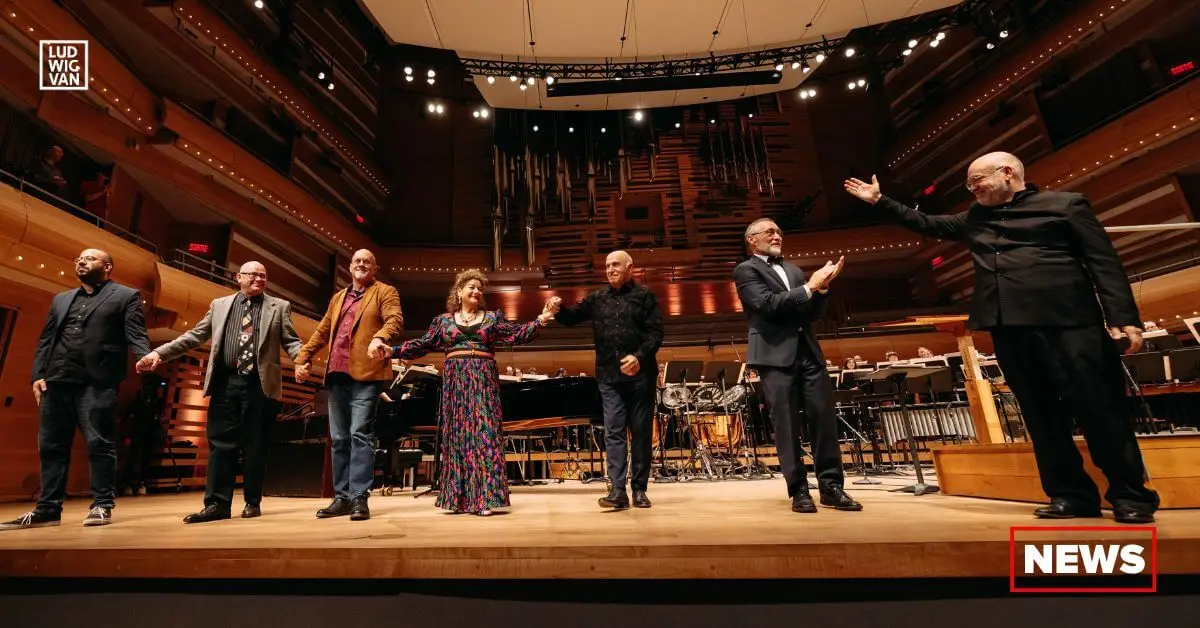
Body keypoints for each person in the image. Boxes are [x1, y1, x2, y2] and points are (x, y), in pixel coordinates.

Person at [843, 151, 1159, 523]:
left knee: (1099, 410)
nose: (972, 188)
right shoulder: (976, 217)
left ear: (1008, 173)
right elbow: (927, 223)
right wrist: (880, 200)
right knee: (1041, 417)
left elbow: (1103, 261)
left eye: (977, 180)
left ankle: (1131, 496)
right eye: (969, 183)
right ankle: (1071, 496)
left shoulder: (1065, 206)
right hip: (1010, 330)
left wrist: (1123, 316)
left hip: (1070, 325)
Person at [137, 261, 302, 523]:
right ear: (239, 277)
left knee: (255, 446)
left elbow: (291, 340)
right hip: (225, 383)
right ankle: (217, 504)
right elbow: (193, 336)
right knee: (221, 444)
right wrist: (159, 353)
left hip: (259, 385)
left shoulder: (279, 307)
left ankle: (252, 501)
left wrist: (300, 361)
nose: (259, 279)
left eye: (263, 276)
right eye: (254, 275)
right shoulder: (220, 305)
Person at [0, 250, 150, 530]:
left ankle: (102, 505)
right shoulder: (61, 299)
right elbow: (46, 339)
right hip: (55, 382)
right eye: (78, 259)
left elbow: (136, 334)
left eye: (89, 258)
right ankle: (47, 509)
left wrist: (145, 355)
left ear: (107, 267)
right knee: (51, 447)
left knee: (99, 444)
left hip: (96, 382)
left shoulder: (125, 296)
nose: (81, 261)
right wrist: (38, 375)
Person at [392, 270, 555, 516]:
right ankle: (458, 499)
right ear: (459, 292)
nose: (476, 291)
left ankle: (485, 499)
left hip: (483, 380)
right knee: (458, 436)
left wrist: (541, 319)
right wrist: (393, 351)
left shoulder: (492, 318)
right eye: (471, 287)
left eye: (480, 288)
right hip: (456, 382)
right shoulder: (443, 321)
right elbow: (423, 344)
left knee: (484, 434)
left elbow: (516, 334)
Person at [733, 220, 862, 514]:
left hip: (808, 353)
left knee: (824, 420)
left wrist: (823, 289)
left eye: (780, 231)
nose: (778, 235)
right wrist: (811, 286)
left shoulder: (792, 270)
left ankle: (831, 487)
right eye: (770, 232)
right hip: (774, 356)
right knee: (786, 425)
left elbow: (810, 312)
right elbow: (767, 304)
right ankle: (799, 491)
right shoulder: (746, 270)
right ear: (752, 240)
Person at [548, 250, 664, 510]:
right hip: (609, 377)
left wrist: (639, 357)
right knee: (613, 432)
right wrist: (557, 308)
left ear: (630, 268)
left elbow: (655, 333)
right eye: (607, 266)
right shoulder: (597, 298)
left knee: (641, 433)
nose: (610, 269)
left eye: (615, 265)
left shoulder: (645, 297)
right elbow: (570, 318)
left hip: (641, 377)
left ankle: (640, 489)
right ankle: (618, 490)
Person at [294, 249, 403, 521]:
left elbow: (395, 320)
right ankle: (341, 497)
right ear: (350, 267)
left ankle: (359, 498)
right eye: (357, 261)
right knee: (339, 438)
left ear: (374, 268)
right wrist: (303, 357)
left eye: (367, 261)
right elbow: (322, 330)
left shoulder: (384, 292)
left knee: (359, 434)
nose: (362, 264)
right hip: (337, 374)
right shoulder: (339, 298)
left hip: (366, 375)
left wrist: (379, 337)